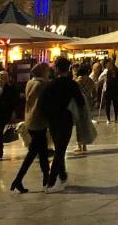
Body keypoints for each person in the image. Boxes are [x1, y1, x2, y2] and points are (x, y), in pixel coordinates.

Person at [41, 56, 86, 192]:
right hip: (65, 120)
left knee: (59, 147)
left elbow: (43, 104)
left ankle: (62, 175)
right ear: (69, 69)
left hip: (53, 121)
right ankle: (51, 182)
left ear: (56, 68)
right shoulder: (72, 84)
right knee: (60, 150)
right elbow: (81, 102)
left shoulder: (50, 84)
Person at [10, 63, 50, 193]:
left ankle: (43, 178)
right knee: (37, 152)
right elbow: (44, 103)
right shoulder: (43, 84)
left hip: (30, 119)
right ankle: (21, 180)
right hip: (39, 121)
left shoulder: (29, 83)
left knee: (39, 152)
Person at [0, 71, 20, 161]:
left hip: (5, 113)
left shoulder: (10, 89)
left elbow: (14, 101)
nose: (0, 80)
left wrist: (13, 112)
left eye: (2, 78)